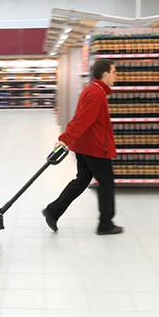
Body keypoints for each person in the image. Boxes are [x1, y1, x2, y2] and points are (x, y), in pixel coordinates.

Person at [43, 59, 121, 235]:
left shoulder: (94, 90)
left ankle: (54, 210)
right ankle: (105, 224)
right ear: (105, 74)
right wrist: (65, 139)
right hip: (95, 148)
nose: (116, 76)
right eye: (114, 72)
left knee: (81, 181)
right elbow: (82, 119)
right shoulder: (96, 93)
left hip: (86, 146)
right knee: (107, 183)